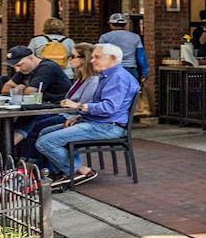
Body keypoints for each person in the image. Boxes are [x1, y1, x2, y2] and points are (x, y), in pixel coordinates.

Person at [35, 43, 139, 189]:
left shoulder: (117, 77)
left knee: (44, 142)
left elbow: (108, 107)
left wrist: (79, 106)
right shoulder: (111, 75)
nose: (92, 60)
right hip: (101, 123)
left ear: (112, 58)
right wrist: (79, 117)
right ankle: (64, 171)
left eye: (97, 57)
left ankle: (79, 171)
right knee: (44, 132)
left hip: (107, 127)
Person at [0, 45, 72, 165]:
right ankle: (12, 158)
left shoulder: (47, 67)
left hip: (60, 110)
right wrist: (21, 89)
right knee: (4, 125)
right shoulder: (25, 70)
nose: (17, 69)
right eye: (14, 66)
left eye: (19, 64)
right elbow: (5, 89)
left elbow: (30, 93)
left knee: (33, 126)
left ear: (31, 58)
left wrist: (19, 89)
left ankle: (25, 162)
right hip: (38, 110)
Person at [99, 13, 148, 84]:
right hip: (131, 69)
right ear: (125, 24)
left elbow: (100, 55)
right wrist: (144, 71)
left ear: (111, 24)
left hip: (112, 69)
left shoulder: (105, 37)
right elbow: (141, 56)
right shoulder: (135, 37)